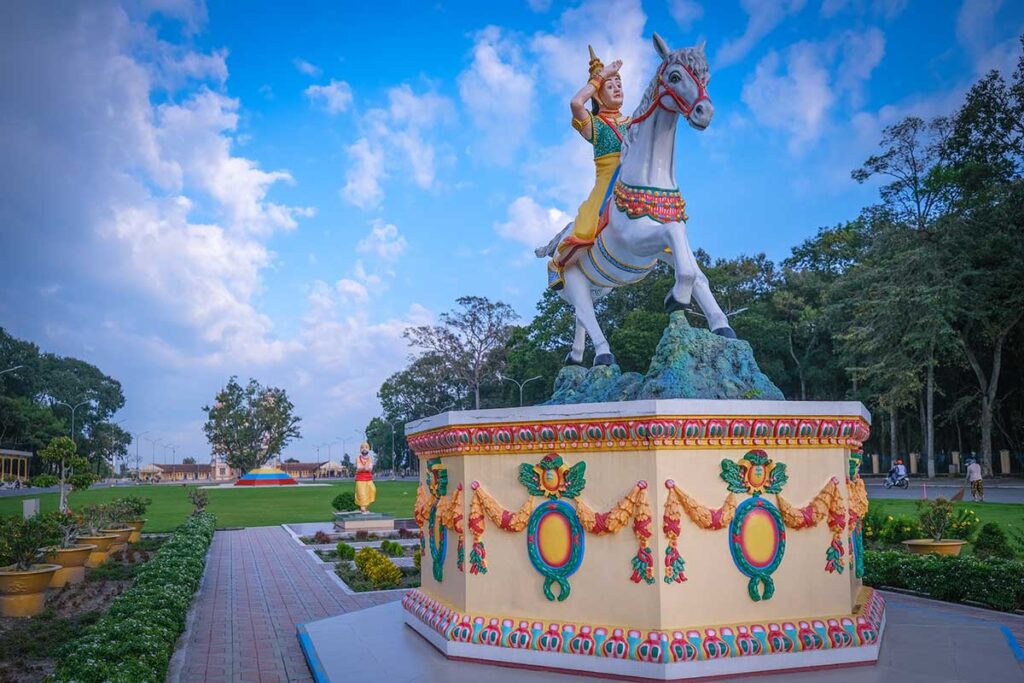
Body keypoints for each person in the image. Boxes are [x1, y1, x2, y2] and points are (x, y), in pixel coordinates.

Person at [547, 46, 630, 290]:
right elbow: (575, 102)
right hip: (607, 184)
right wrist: (599, 76)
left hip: (633, 179)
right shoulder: (596, 125)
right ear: (596, 94)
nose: (616, 88)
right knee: (585, 230)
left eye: (619, 83)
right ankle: (557, 264)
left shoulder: (634, 122)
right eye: (609, 85)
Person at [354, 442, 376, 513]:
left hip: (368, 478)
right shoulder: (358, 458)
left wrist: (362, 468)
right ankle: (362, 508)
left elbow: (370, 468)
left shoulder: (370, 458)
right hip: (360, 479)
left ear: (368, 449)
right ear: (360, 450)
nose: (364, 449)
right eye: (362, 447)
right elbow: (358, 467)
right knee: (362, 493)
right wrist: (363, 468)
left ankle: (365, 506)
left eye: (366, 447)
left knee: (372, 490)